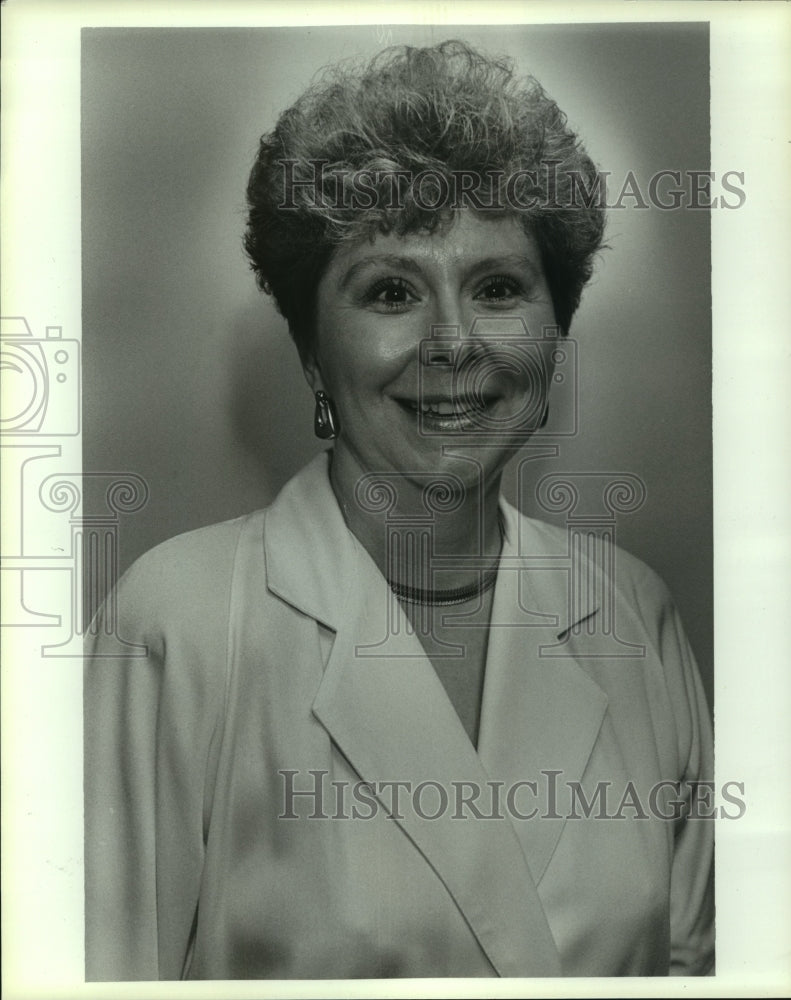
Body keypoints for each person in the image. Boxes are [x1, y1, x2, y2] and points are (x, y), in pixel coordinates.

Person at [84, 40, 714, 980]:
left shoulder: (633, 612)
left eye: (498, 288)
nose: (455, 343)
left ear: (554, 334)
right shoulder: (173, 624)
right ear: (310, 351)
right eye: (390, 291)